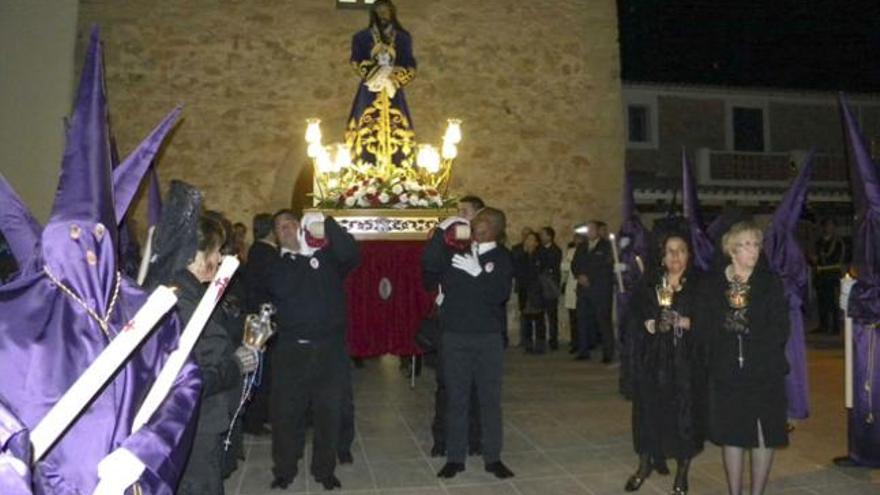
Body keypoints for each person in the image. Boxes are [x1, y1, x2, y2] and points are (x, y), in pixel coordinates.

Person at [152, 205, 259, 495]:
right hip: (193, 421)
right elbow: (189, 378)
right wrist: (237, 364)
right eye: (214, 251)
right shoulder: (180, 299)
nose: (220, 258)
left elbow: (215, 338)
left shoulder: (194, 290)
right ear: (194, 256)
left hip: (204, 417)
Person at [267, 210, 360, 490]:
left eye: (290, 224)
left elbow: (351, 253)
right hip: (291, 352)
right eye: (279, 227)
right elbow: (282, 289)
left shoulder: (329, 258)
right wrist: (300, 257)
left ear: (301, 227)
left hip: (329, 351)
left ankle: (324, 470)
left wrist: (326, 223)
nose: (285, 229)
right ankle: (284, 469)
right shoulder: (276, 264)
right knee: (286, 414)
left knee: (328, 413)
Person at [695, 221, 789, 495]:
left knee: (763, 433)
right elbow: (704, 326)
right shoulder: (713, 284)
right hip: (727, 370)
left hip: (763, 369)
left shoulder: (769, 282)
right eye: (745, 244)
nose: (753, 250)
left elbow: (781, 326)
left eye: (756, 244)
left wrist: (750, 328)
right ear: (731, 249)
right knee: (732, 434)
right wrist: (726, 327)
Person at [422, 207, 515, 480]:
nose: (476, 224)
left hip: (488, 338)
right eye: (476, 221)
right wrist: (441, 231)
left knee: (489, 400)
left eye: (483, 221)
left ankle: (493, 457)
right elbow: (428, 265)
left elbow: (499, 294)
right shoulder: (456, 253)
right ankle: (455, 458)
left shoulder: (502, 257)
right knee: (456, 398)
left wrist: (479, 273)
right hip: (455, 336)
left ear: (496, 228)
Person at [626, 233, 703, 494]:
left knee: (684, 416)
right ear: (662, 255)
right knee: (649, 412)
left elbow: (710, 321)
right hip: (653, 359)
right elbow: (634, 315)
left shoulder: (699, 284)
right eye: (670, 251)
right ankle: (644, 465)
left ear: (688, 254)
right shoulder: (650, 283)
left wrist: (685, 322)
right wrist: (650, 323)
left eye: (680, 250)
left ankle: (682, 474)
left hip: (685, 362)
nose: (675, 256)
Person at [346, 0, 417, 168]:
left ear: (393, 13)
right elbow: (356, 61)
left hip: (393, 90)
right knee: (365, 125)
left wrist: (392, 77)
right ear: (374, 14)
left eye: (386, 11)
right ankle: (363, 165)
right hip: (369, 89)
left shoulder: (403, 38)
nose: (383, 15)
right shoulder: (361, 38)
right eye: (379, 11)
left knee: (398, 126)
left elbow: (410, 65)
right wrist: (376, 74)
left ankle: (400, 166)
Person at [242, 213, 279, 436]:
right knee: (263, 373)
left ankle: (257, 417)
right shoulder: (267, 254)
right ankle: (255, 420)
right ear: (272, 230)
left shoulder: (257, 251)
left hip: (257, 318)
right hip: (264, 322)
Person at [572, 221, 615, 362]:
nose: (589, 232)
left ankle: (608, 353)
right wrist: (579, 275)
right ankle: (584, 350)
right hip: (583, 290)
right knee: (583, 320)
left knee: (603, 321)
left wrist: (590, 277)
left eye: (591, 229)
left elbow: (606, 266)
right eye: (587, 229)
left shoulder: (607, 246)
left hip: (600, 290)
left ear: (598, 231)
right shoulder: (582, 247)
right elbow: (575, 264)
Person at [813, 218, 845, 334]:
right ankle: (823, 325)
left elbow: (838, 259)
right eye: (826, 225)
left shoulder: (838, 243)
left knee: (833, 302)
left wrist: (823, 259)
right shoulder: (819, 243)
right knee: (821, 302)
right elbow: (815, 259)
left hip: (832, 276)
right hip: (821, 277)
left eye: (831, 225)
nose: (828, 228)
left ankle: (836, 327)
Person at [520, 231, 547, 353]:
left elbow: (540, 272)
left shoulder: (541, 255)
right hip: (525, 291)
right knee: (526, 319)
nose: (529, 242)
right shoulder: (522, 256)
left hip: (537, 291)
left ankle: (540, 344)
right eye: (527, 239)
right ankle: (528, 344)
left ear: (536, 243)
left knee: (539, 319)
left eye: (531, 239)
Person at [539, 226, 563, 350]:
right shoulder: (539, 250)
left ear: (549, 236)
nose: (540, 236)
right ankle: (541, 340)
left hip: (550, 286)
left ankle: (553, 341)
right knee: (540, 315)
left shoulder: (556, 250)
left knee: (552, 315)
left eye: (543, 234)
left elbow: (551, 266)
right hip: (540, 286)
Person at [561, 232, 585, 353]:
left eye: (579, 239)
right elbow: (565, 269)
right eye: (575, 239)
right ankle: (575, 341)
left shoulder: (587, 251)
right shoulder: (571, 252)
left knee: (583, 317)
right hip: (571, 286)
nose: (577, 241)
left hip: (581, 286)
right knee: (573, 317)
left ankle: (584, 342)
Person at [511, 226, 534, 347]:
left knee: (536, 313)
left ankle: (535, 340)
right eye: (523, 235)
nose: (525, 237)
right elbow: (514, 264)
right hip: (522, 285)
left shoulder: (536, 250)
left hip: (534, 288)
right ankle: (524, 338)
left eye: (528, 235)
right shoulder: (517, 249)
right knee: (524, 312)